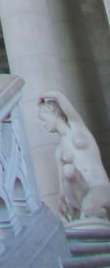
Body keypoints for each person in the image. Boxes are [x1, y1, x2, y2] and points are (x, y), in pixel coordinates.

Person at [38, 92, 110, 220]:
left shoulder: (77, 128)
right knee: (68, 171)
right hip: (82, 193)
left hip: (100, 186)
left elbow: (60, 97)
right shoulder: (59, 151)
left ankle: (95, 212)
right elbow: (62, 188)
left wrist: (44, 95)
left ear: (53, 111)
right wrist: (60, 211)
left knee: (89, 208)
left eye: (44, 118)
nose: (44, 124)